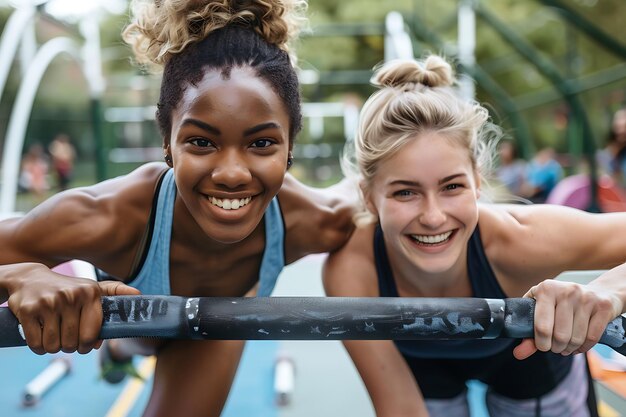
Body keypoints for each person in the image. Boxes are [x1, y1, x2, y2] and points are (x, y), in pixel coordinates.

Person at [0, 1, 356, 416]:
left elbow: (376, 195)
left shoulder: (319, 220)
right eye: (202, 142)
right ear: (167, 145)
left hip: (220, 317)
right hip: (135, 327)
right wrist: (18, 276)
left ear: (291, 145)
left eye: (261, 143)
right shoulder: (107, 217)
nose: (232, 174)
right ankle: (119, 348)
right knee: (135, 340)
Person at [323, 55, 626, 417]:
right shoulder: (354, 269)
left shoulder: (520, 240)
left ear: (478, 182)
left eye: (452, 186)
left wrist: (611, 290)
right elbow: (399, 407)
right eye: (405, 192)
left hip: (529, 362)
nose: (433, 217)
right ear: (369, 197)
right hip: (421, 369)